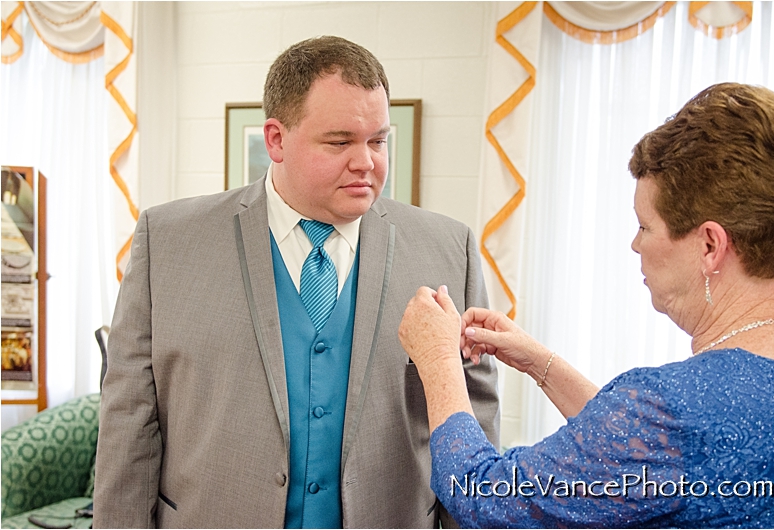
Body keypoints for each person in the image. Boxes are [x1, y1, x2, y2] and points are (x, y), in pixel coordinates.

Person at [94, 36, 499, 528]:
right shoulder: (170, 242)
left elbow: (473, 423)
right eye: (339, 141)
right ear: (276, 140)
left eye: (377, 140)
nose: (366, 162)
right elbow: (129, 422)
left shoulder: (446, 248)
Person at [398, 83, 774, 528]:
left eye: (645, 226)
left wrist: (438, 363)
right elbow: (650, 459)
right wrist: (541, 363)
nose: (634, 244)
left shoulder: (669, 408)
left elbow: (481, 496)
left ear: (709, 244)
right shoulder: (703, 409)